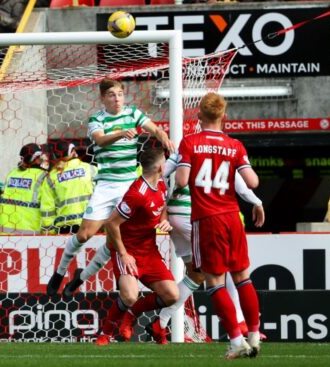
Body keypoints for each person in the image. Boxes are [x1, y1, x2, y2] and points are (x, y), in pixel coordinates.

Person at [47, 77, 174, 296]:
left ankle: (80, 279)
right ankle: (59, 272)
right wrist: (120, 134)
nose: (117, 99)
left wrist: (164, 137)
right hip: (106, 186)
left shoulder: (133, 114)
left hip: (128, 187)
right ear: (103, 98)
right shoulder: (97, 119)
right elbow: (99, 140)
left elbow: (154, 128)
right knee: (85, 234)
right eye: (112, 95)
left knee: (115, 240)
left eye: (120, 94)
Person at [175, 92, 260, 359]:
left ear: (199, 115)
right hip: (233, 217)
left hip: (207, 218)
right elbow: (253, 181)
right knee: (242, 276)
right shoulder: (235, 146)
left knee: (214, 281)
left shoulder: (190, 142)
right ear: (224, 117)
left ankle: (236, 341)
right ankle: (255, 336)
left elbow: (181, 180)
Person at [148, 151, 265, 344]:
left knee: (197, 274)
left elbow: (159, 173)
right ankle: (239, 321)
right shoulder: (221, 151)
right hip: (191, 215)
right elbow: (243, 186)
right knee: (228, 266)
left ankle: (160, 322)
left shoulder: (184, 150)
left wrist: (161, 206)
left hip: (174, 215)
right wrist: (257, 202)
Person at [94, 148, 178, 345]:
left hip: (149, 250)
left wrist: (164, 220)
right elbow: (111, 223)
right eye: (165, 161)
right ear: (160, 167)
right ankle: (105, 334)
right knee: (130, 295)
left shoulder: (162, 185)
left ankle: (132, 314)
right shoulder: (137, 193)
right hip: (128, 250)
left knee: (172, 295)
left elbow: (162, 208)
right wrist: (123, 254)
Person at [40, 141, 97, 234]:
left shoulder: (51, 177)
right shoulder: (91, 169)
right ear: (73, 152)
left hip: (64, 227)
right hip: (91, 223)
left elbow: (47, 209)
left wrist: (49, 232)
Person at [0, 143, 48, 234]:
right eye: (40, 156)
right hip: (30, 233)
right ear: (35, 159)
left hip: (5, 232)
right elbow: (47, 206)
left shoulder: (12, 173)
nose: (42, 158)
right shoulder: (43, 176)